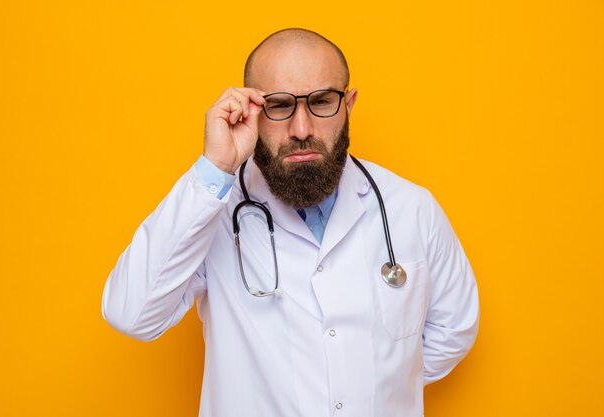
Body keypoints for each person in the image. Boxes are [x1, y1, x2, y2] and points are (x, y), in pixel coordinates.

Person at [102, 28, 479, 417]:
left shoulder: (411, 208)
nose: (301, 129)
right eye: (279, 106)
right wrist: (215, 168)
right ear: (250, 111)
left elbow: (454, 330)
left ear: (348, 104)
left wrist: (371, 388)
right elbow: (131, 312)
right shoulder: (214, 210)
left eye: (321, 101)